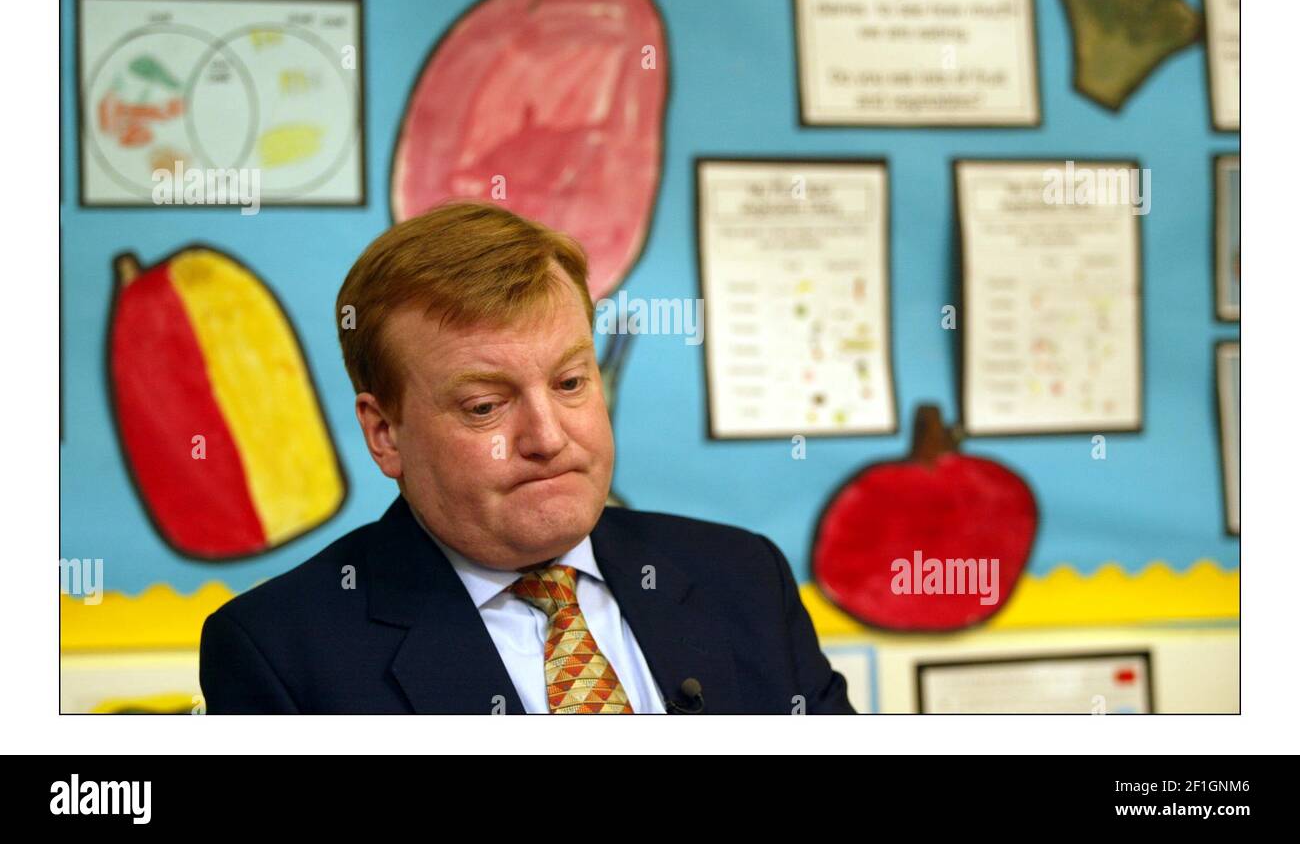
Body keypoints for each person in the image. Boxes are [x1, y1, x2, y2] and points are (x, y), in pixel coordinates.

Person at [199, 201, 855, 714]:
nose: (547, 436)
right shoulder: (283, 653)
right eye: (485, 405)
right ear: (384, 433)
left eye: (571, 383)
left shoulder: (741, 579)